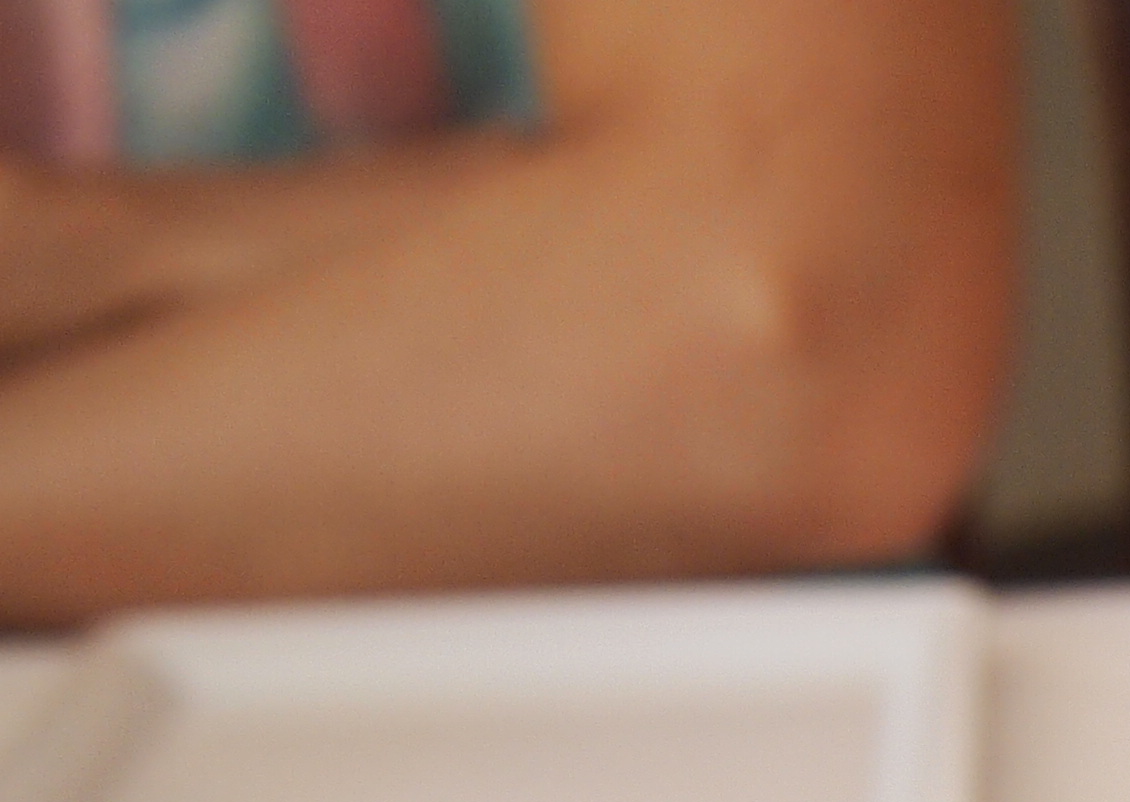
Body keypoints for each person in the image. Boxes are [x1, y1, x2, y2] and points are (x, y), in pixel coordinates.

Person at [0, 0, 1016, 624]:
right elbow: (729, 264)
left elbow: (783, 330)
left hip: (692, 743)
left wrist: (99, 252)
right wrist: (582, 225)